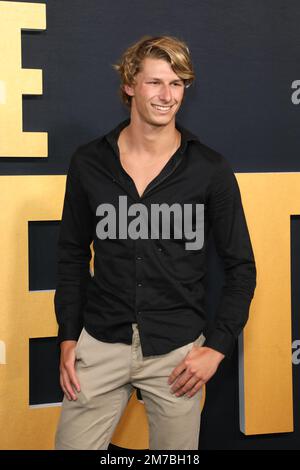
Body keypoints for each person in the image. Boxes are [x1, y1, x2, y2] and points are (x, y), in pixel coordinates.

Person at [54, 35, 256, 450]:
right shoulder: (89, 162)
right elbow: (71, 256)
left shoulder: (210, 169)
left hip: (177, 354)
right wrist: (69, 337)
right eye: (155, 83)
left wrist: (216, 348)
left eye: (178, 84)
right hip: (100, 343)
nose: (168, 96)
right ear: (129, 84)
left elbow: (241, 268)